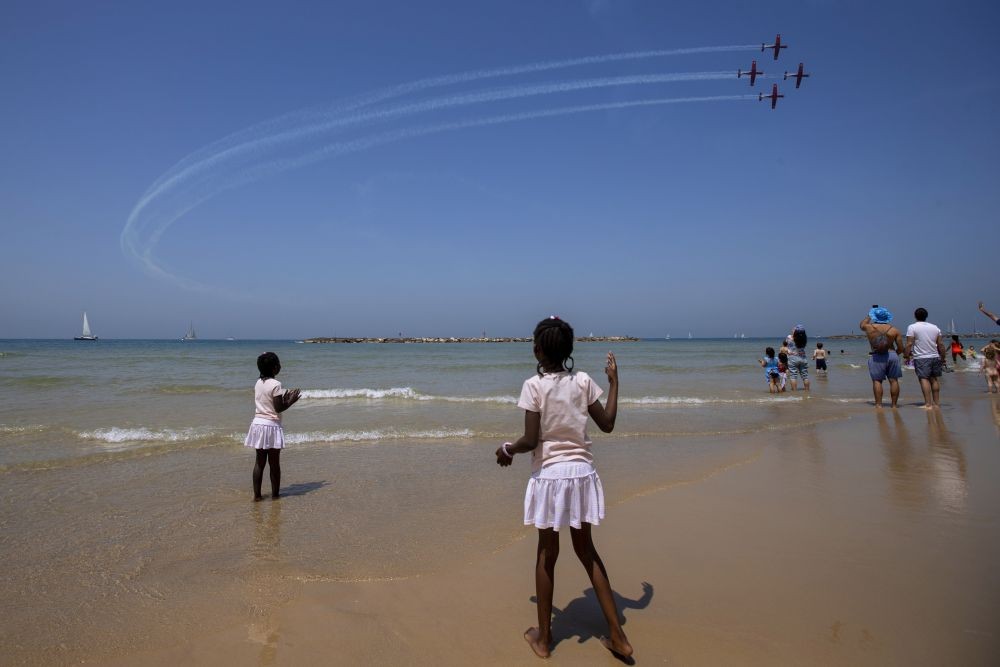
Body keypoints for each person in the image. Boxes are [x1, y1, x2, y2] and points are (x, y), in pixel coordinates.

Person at [494, 317, 631, 660]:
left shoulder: (533, 386)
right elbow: (608, 424)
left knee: (546, 554)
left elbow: (530, 440)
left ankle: (544, 640)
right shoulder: (583, 381)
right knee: (587, 552)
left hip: (551, 478)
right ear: (569, 350)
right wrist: (614, 383)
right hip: (582, 474)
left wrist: (507, 449)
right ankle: (617, 635)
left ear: (537, 350)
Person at [244, 352, 300, 500]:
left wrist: (284, 399)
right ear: (274, 368)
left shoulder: (258, 383)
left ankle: (257, 496)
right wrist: (290, 401)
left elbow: (267, 402)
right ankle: (275, 495)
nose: (280, 366)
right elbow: (278, 408)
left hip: (258, 424)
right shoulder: (276, 384)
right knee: (274, 464)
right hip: (271, 425)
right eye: (279, 364)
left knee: (259, 463)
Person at [860, 307, 905, 408]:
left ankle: (879, 405)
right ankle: (894, 405)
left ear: (874, 317)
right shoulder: (894, 330)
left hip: (876, 356)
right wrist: (894, 354)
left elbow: (861, 325)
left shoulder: (869, 328)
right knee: (894, 380)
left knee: (877, 381)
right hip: (892, 354)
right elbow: (901, 348)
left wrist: (869, 315)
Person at [904, 307, 946, 410]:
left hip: (921, 357)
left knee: (924, 379)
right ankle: (936, 404)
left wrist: (906, 356)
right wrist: (943, 357)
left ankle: (928, 404)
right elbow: (940, 344)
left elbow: (909, 343)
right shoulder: (935, 327)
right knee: (934, 379)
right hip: (935, 356)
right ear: (926, 316)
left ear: (915, 316)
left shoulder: (912, 327)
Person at [786, 325, 811, 391]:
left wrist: (793, 332)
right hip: (803, 358)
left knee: (793, 376)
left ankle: (794, 392)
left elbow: (788, 344)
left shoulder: (789, 337)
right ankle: (807, 391)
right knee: (805, 376)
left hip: (793, 358)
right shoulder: (804, 339)